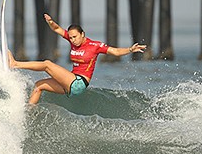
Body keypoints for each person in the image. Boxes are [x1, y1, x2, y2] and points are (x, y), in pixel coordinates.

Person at [8, 13, 147, 104]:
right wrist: (50, 21)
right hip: (69, 81)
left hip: (79, 83)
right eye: (71, 37)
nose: (72, 40)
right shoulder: (71, 39)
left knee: (47, 64)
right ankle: (29, 114)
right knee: (39, 86)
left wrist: (130, 49)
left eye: (75, 37)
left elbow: (115, 51)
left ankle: (15, 64)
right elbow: (57, 29)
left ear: (82, 34)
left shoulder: (95, 45)